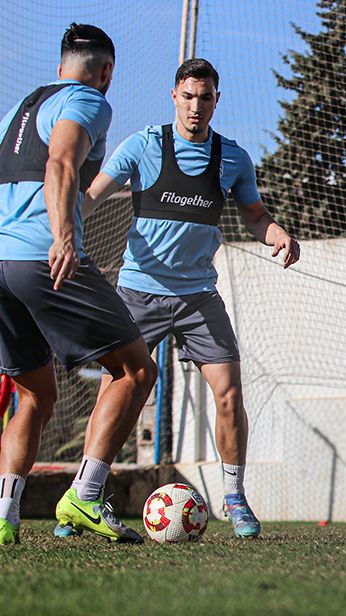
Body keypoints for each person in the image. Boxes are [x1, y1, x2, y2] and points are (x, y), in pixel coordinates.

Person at [76, 58, 300, 539]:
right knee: (115, 393)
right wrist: (62, 227)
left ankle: (235, 498)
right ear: (173, 96)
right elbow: (92, 195)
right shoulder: (144, 145)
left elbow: (255, 215)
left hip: (199, 296)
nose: (196, 105)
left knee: (230, 392)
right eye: (189, 96)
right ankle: (85, 495)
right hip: (139, 292)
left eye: (206, 97)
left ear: (216, 100)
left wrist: (276, 232)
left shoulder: (233, 158)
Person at [0, 24, 157, 545]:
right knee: (136, 368)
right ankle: (86, 496)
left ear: (60, 61)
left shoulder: (18, 112)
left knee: (33, 393)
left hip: (0, 263)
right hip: (41, 257)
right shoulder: (88, 100)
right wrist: (65, 234)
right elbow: (61, 161)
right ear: (107, 70)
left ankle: (5, 513)